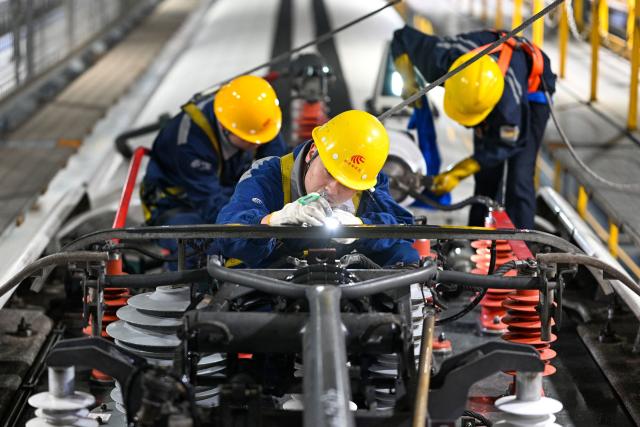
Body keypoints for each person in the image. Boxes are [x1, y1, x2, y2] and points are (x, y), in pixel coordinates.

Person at [391, 26, 556, 229]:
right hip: (487, 80)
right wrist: (409, 82)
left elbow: (507, 144)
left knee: (519, 177)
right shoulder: (440, 60)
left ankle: (523, 247)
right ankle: (477, 238)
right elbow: (401, 38)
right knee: (487, 174)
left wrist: (457, 173)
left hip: (534, 91)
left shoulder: (508, 110)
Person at [216, 110, 420, 268]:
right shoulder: (268, 174)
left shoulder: (365, 182)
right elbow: (227, 233)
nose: (332, 189)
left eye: (347, 185)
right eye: (329, 173)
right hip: (271, 285)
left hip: (346, 288)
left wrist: (361, 228)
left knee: (404, 253)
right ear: (312, 152)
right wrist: (272, 222)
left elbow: (403, 228)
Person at [140, 75, 288, 263]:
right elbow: (212, 206)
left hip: (224, 189)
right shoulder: (190, 144)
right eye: (249, 141)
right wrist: (258, 226)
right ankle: (186, 289)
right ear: (225, 128)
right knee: (198, 247)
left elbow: (278, 165)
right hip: (178, 205)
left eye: (261, 140)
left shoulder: (255, 124)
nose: (256, 145)